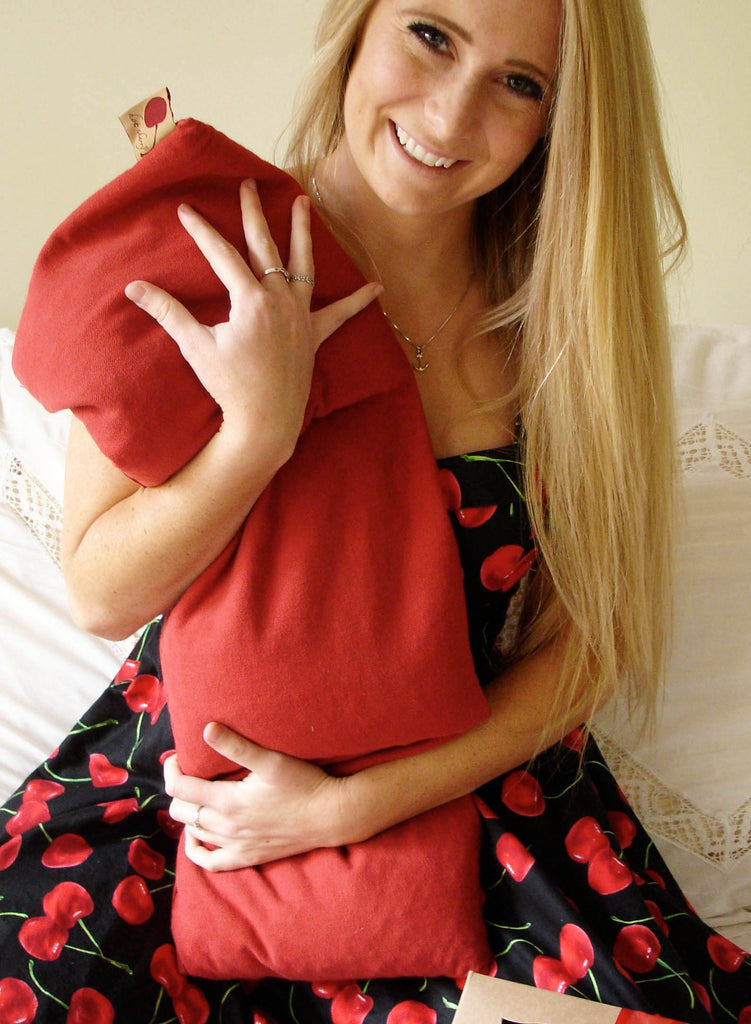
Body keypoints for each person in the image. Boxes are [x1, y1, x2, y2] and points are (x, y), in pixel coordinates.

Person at [1, 0, 750, 1020]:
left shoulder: (561, 325)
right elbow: (98, 591)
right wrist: (256, 435)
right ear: (356, 25)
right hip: (191, 789)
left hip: (468, 792)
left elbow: (588, 646)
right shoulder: (199, 245)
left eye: (518, 83)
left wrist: (350, 806)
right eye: (430, 36)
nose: (448, 116)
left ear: (558, 119)